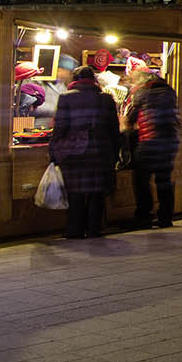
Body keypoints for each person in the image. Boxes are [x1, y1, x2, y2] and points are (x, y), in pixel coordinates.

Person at [49, 66, 120, 239]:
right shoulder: (106, 99)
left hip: (74, 153)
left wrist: (53, 151)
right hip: (101, 153)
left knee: (76, 193)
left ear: (75, 79)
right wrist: (114, 153)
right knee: (97, 193)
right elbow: (114, 130)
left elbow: (60, 128)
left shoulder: (66, 98)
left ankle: (75, 230)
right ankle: (95, 229)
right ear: (94, 80)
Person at [123, 69, 181, 229]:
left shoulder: (143, 92)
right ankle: (165, 217)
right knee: (164, 180)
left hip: (150, 140)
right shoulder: (170, 92)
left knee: (141, 179)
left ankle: (143, 216)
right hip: (170, 140)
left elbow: (131, 118)